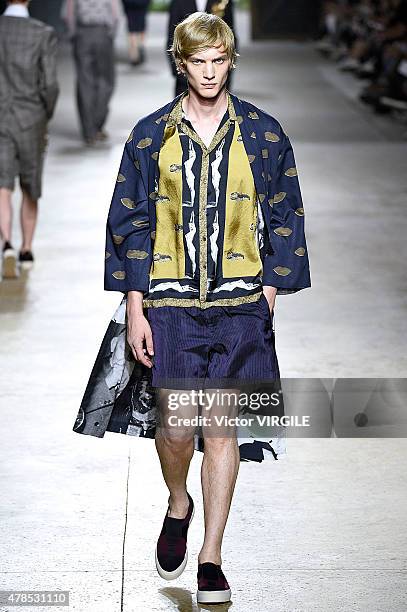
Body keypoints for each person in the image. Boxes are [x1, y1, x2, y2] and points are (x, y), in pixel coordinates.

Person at [73, 12, 311, 605]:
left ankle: (212, 554)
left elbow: (285, 211)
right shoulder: (151, 134)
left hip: (239, 303)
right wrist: (134, 306)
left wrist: (271, 290)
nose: (209, 73)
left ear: (231, 61)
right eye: (198, 63)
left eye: (218, 61)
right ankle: (178, 503)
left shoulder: (263, 133)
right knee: (177, 429)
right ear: (182, 64)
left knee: (220, 428)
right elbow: (128, 222)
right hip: (170, 302)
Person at [0, 0, 59, 278]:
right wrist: (44, 114)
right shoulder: (42, 33)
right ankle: (26, 249)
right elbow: (49, 84)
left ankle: (7, 245)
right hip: (31, 117)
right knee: (30, 185)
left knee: (2, 184)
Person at [61, 0, 119, 146]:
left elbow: (68, 14)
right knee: (106, 81)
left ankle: (89, 131)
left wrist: (74, 33)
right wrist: (110, 34)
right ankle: (97, 123)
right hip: (103, 34)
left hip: (82, 34)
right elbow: (115, 14)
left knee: (84, 82)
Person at [167, 0, 237, 96]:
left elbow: (231, 35)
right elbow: (172, 38)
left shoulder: (223, 1)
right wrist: (178, 72)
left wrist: (228, 71)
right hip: (184, 80)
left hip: (218, 80)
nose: (208, 74)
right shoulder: (178, 2)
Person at [121, 0, 151, 66]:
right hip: (136, 11)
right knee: (135, 33)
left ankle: (136, 54)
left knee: (134, 33)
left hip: (133, 11)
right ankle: (136, 53)